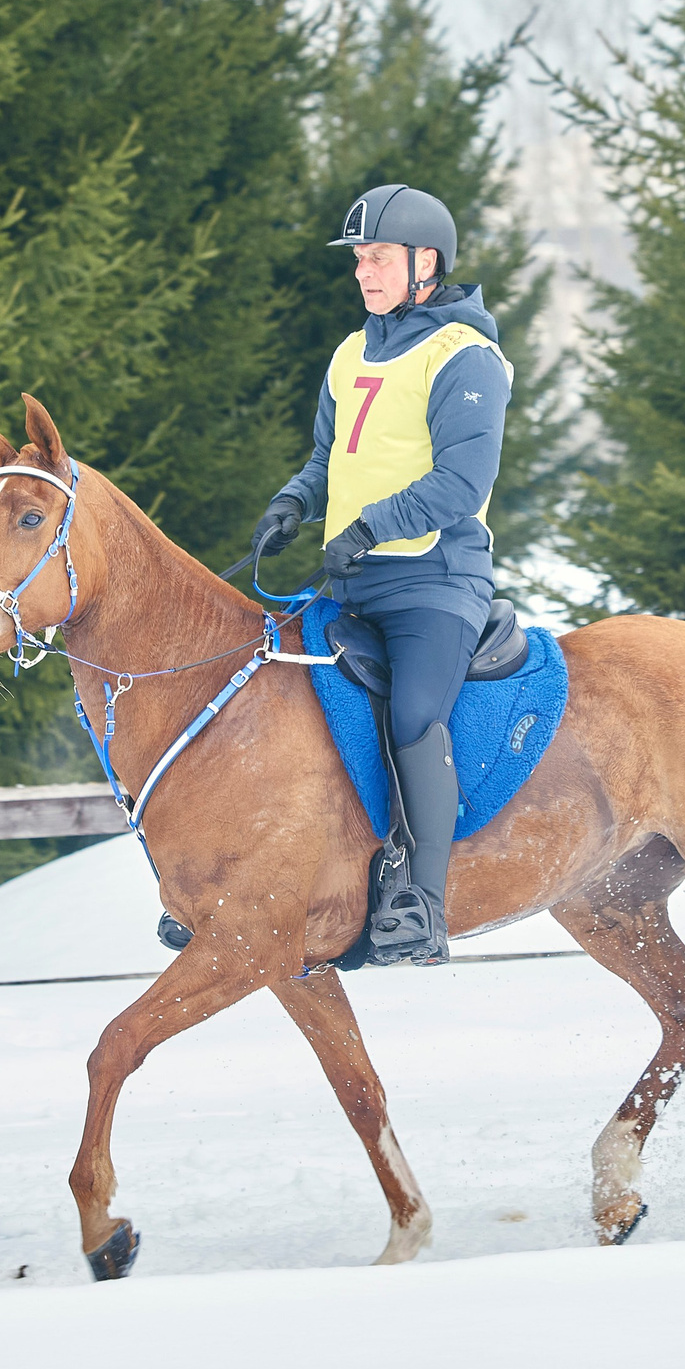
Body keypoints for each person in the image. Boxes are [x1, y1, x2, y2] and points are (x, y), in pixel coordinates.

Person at [253, 184, 513, 964]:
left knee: (413, 715)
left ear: (424, 262)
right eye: (360, 259)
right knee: (273, 693)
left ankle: (420, 905)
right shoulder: (350, 351)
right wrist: (293, 503)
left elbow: (461, 484)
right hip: (353, 584)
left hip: (434, 584)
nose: (365, 273)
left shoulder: (466, 356)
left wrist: (371, 527)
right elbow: (328, 458)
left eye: (378, 258)